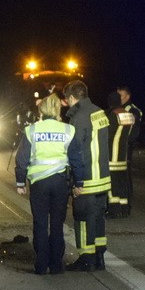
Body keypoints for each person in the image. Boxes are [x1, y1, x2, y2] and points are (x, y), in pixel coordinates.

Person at [14, 94, 85, 275]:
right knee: (56, 224)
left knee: (39, 222)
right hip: (60, 182)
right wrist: (79, 182)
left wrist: (20, 181)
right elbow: (76, 159)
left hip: (39, 183)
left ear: (41, 110)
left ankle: (41, 264)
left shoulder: (32, 130)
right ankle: (56, 265)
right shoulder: (68, 130)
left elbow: (22, 159)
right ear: (57, 110)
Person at [62, 80, 111, 271]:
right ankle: (99, 257)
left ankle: (86, 258)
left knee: (82, 219)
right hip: (103, 178)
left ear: (73, 98)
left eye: (67, 100)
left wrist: (74, 179)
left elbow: (77, 151)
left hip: (88, 178)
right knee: (98, 218)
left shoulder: (79, 117)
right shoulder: (99, 112)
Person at [105, 91, 135, 218]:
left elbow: (108, 135)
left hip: (112, 157)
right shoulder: (129, 115)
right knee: (123, 184)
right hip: (123, 156)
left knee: (112, 185)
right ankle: (124, 209)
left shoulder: (113, 115)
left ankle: (114, 210)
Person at [116, 86, 142, 209]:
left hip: (126, 147)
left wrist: (126, 143)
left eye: (120, 95)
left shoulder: (132, 110)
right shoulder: (118, 108)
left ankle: (127, 200)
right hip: (118, 146)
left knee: (125, 173)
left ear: (127, 96)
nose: (118, 98)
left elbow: (132, 132)